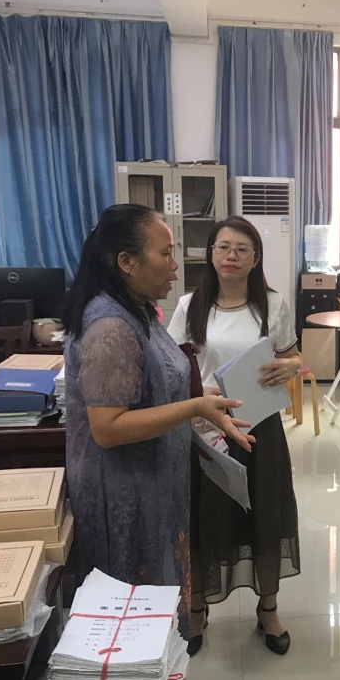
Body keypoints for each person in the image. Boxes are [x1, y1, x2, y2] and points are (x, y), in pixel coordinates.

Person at [61, 204, 253, 653]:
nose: (174, 265)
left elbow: (156, 383)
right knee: (131, 622)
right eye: (165, 253)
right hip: (125, 496)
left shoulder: (139, 311)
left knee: (156, 609)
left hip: (154, 484)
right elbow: (108, 427)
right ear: (127, 262)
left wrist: (204, 400)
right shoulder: (110, 325)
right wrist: (194, 407)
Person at [167, 215, 301, 656]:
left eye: (242, 249)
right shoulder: (189, 306)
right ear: (211, 254)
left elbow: (292, 356)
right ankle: (198, 608)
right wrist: (195, 394)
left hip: (259, 425)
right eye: (223, 247)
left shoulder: (272, 305)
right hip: (205, 426)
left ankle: (269, 608)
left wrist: (291, 366)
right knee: (204, 517)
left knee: (264, 514)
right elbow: (173, 368)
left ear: (255, 258)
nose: (231, 256)